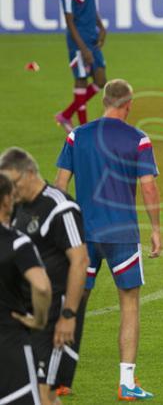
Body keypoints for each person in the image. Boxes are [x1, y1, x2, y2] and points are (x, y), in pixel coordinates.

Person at [54, 79, 162, 401]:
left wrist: (62, 229)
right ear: (128, 104)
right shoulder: (138, 139)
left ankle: (61, 379)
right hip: (122, 236)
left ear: (104, 101)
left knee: (73, 304)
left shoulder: (77, 136)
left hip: (83, 236)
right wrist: (156, 228)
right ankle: (126, 382)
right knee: (129, 304)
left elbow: (60, 185)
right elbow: (148, 187)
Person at [0, 148, 88, 405]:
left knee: (43, 392)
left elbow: (81, 261)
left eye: (14, 183)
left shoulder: (60, 207)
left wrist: (69, 316)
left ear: (29, 174)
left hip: (55, 316)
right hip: (28, 317)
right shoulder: (17, 208)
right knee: (38, 393)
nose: (11, 192)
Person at [0, 172, 52, 405]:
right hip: (10, 343)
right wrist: (38, 320)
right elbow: (42, 287)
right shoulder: (17, 243)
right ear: (7, 200)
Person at [55, 0, 107, 133]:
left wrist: (101, 27)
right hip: (79, 42)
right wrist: (82, 48)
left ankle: (66, 115)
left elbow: (91, 8)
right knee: (82, 80)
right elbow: (69, 22)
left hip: (92, 38)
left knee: (101, 80)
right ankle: (83, 128)